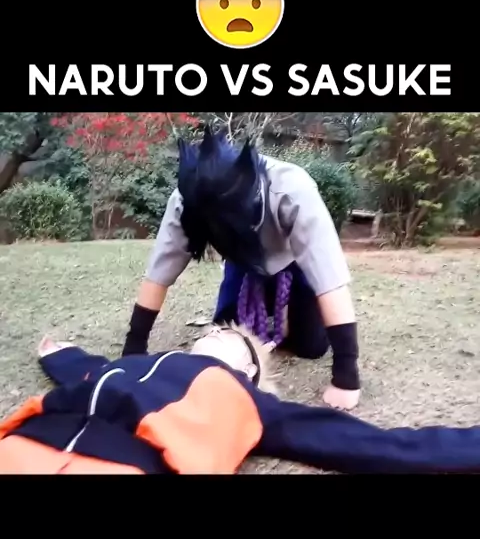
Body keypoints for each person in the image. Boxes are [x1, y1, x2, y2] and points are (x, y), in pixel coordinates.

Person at [1, 328, 480, 474]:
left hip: (127, 463)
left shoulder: (251, 404)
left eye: (230, 337)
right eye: (213, 330)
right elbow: (89, 368)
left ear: (248, 370)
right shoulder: (139, 362)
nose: (214, 332)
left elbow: (367, 444)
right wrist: (59, 352)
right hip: (25, 439)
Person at [122, 125, 360, 412]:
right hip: (242, 263)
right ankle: (268, 315)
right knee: (227, 331)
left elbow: (330, 280)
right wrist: (133, 349)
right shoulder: (187, 201)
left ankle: (287, 316)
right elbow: (159, 275)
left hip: (294, 262)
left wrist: (346, 376)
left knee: (311, 347)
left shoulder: (293, 189)